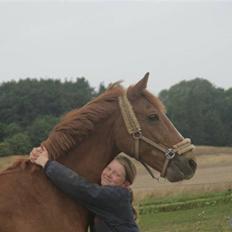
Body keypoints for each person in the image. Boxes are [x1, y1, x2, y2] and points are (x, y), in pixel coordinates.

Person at [29, 146, 139, 232]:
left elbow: (81, 188)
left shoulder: (118, 196)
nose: (109, 174)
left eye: (116, 174)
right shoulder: (109, 198)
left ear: (125, 184)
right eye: (108, 168)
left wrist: (46, 163)